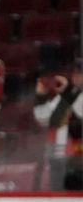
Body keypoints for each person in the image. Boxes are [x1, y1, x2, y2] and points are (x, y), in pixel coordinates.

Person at [34, 60, 83, 190]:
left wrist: (69, 92)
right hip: (68, 160)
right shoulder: (67, 97)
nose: (77, 77)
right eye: (76, 73)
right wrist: (41, 97)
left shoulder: (71, 95)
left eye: (81, 73)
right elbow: (44, 119)